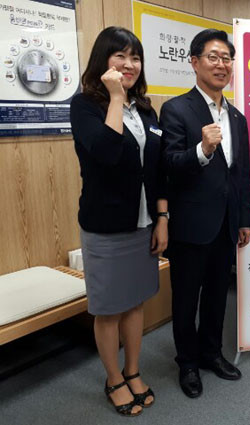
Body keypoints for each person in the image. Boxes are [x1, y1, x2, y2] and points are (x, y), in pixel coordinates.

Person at [70, 27, 168, 416]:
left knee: (135, 302)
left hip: (143, 224)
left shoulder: (146, 109)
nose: (129, 64)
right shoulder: (85, 105)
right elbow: (107, 154)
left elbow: (157, 170)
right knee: (109, 308)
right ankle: (113, 379)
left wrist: (162, 218)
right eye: (120, 56)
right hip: (107, 227)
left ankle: (132, 370)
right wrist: (114, 97)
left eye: (135, 57)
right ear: (103, 60)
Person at [160, 29, 250, 399]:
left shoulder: (237, 117)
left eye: (227, 58)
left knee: (217, 295)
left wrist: (244, 219)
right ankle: (187, 362)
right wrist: (202, 149)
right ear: (195, 62)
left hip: (227, 224)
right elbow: (169, 164)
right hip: (191, 225)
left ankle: (212, 352)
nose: (221, 64)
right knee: (186, 299)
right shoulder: (176, 109)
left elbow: (241, 173)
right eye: (213, 57)